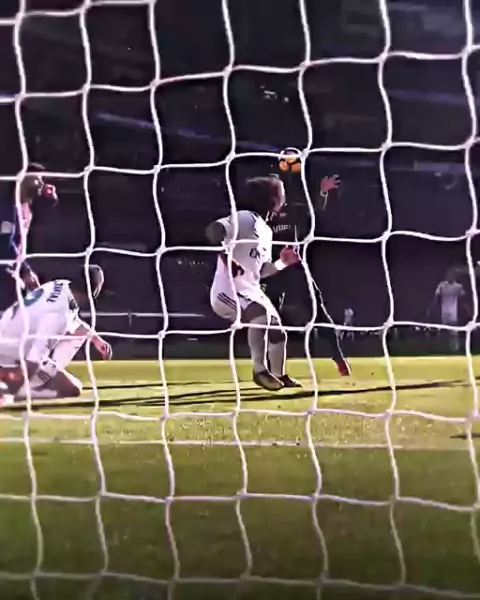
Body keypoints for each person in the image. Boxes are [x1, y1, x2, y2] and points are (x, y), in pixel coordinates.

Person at [207, 175, 301, 391]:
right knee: (260, 315)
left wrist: (283, 263)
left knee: (278, 331)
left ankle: (279, 374)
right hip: (228, 290)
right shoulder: (244, 217)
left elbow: (263, 270)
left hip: (252, 291)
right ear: (272, 199)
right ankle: (260, 371)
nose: (283, 201)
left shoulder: (266, 231)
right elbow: (214, 230)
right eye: (281, 195)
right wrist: (226, 256)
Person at [265, 171, 351, 376]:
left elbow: (314, 212)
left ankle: (338, 356)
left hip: (294, 266)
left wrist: (322, 193)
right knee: (267, 316)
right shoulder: (261, 217)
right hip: (272, 269)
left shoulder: (293, 210)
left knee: (317, 309)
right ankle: (268, 366)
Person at [0, 265, 111, 404]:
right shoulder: (60, 315)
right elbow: (33, 362)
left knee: (80, 333)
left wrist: (95, 339)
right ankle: (12, 391)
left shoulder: (61, 284)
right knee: (73, 388)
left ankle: (42, 375)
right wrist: (11, 388)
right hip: (12, 355)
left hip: (8, 339)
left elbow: (73, 321)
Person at [0, 163, 58, 310]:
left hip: (16, 266)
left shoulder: (27, 209)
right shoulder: (7, 208)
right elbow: (5, 242)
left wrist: (51, 200)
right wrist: (25, 271)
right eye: (38, 179)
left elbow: (42, 219)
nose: (42, 183)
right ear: (23, 179)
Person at [428, 269, 465, 352]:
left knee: (454, 330)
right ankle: (445, 347)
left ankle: (455, 347)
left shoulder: (458, 286)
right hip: (444, 312)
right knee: (445, 330)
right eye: (448, 275)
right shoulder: (442, 285)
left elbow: (462, 299)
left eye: (452, 275)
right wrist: (432, 308)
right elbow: (436, 297)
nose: (449, 276)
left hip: (453, 312)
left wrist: (463, 309)